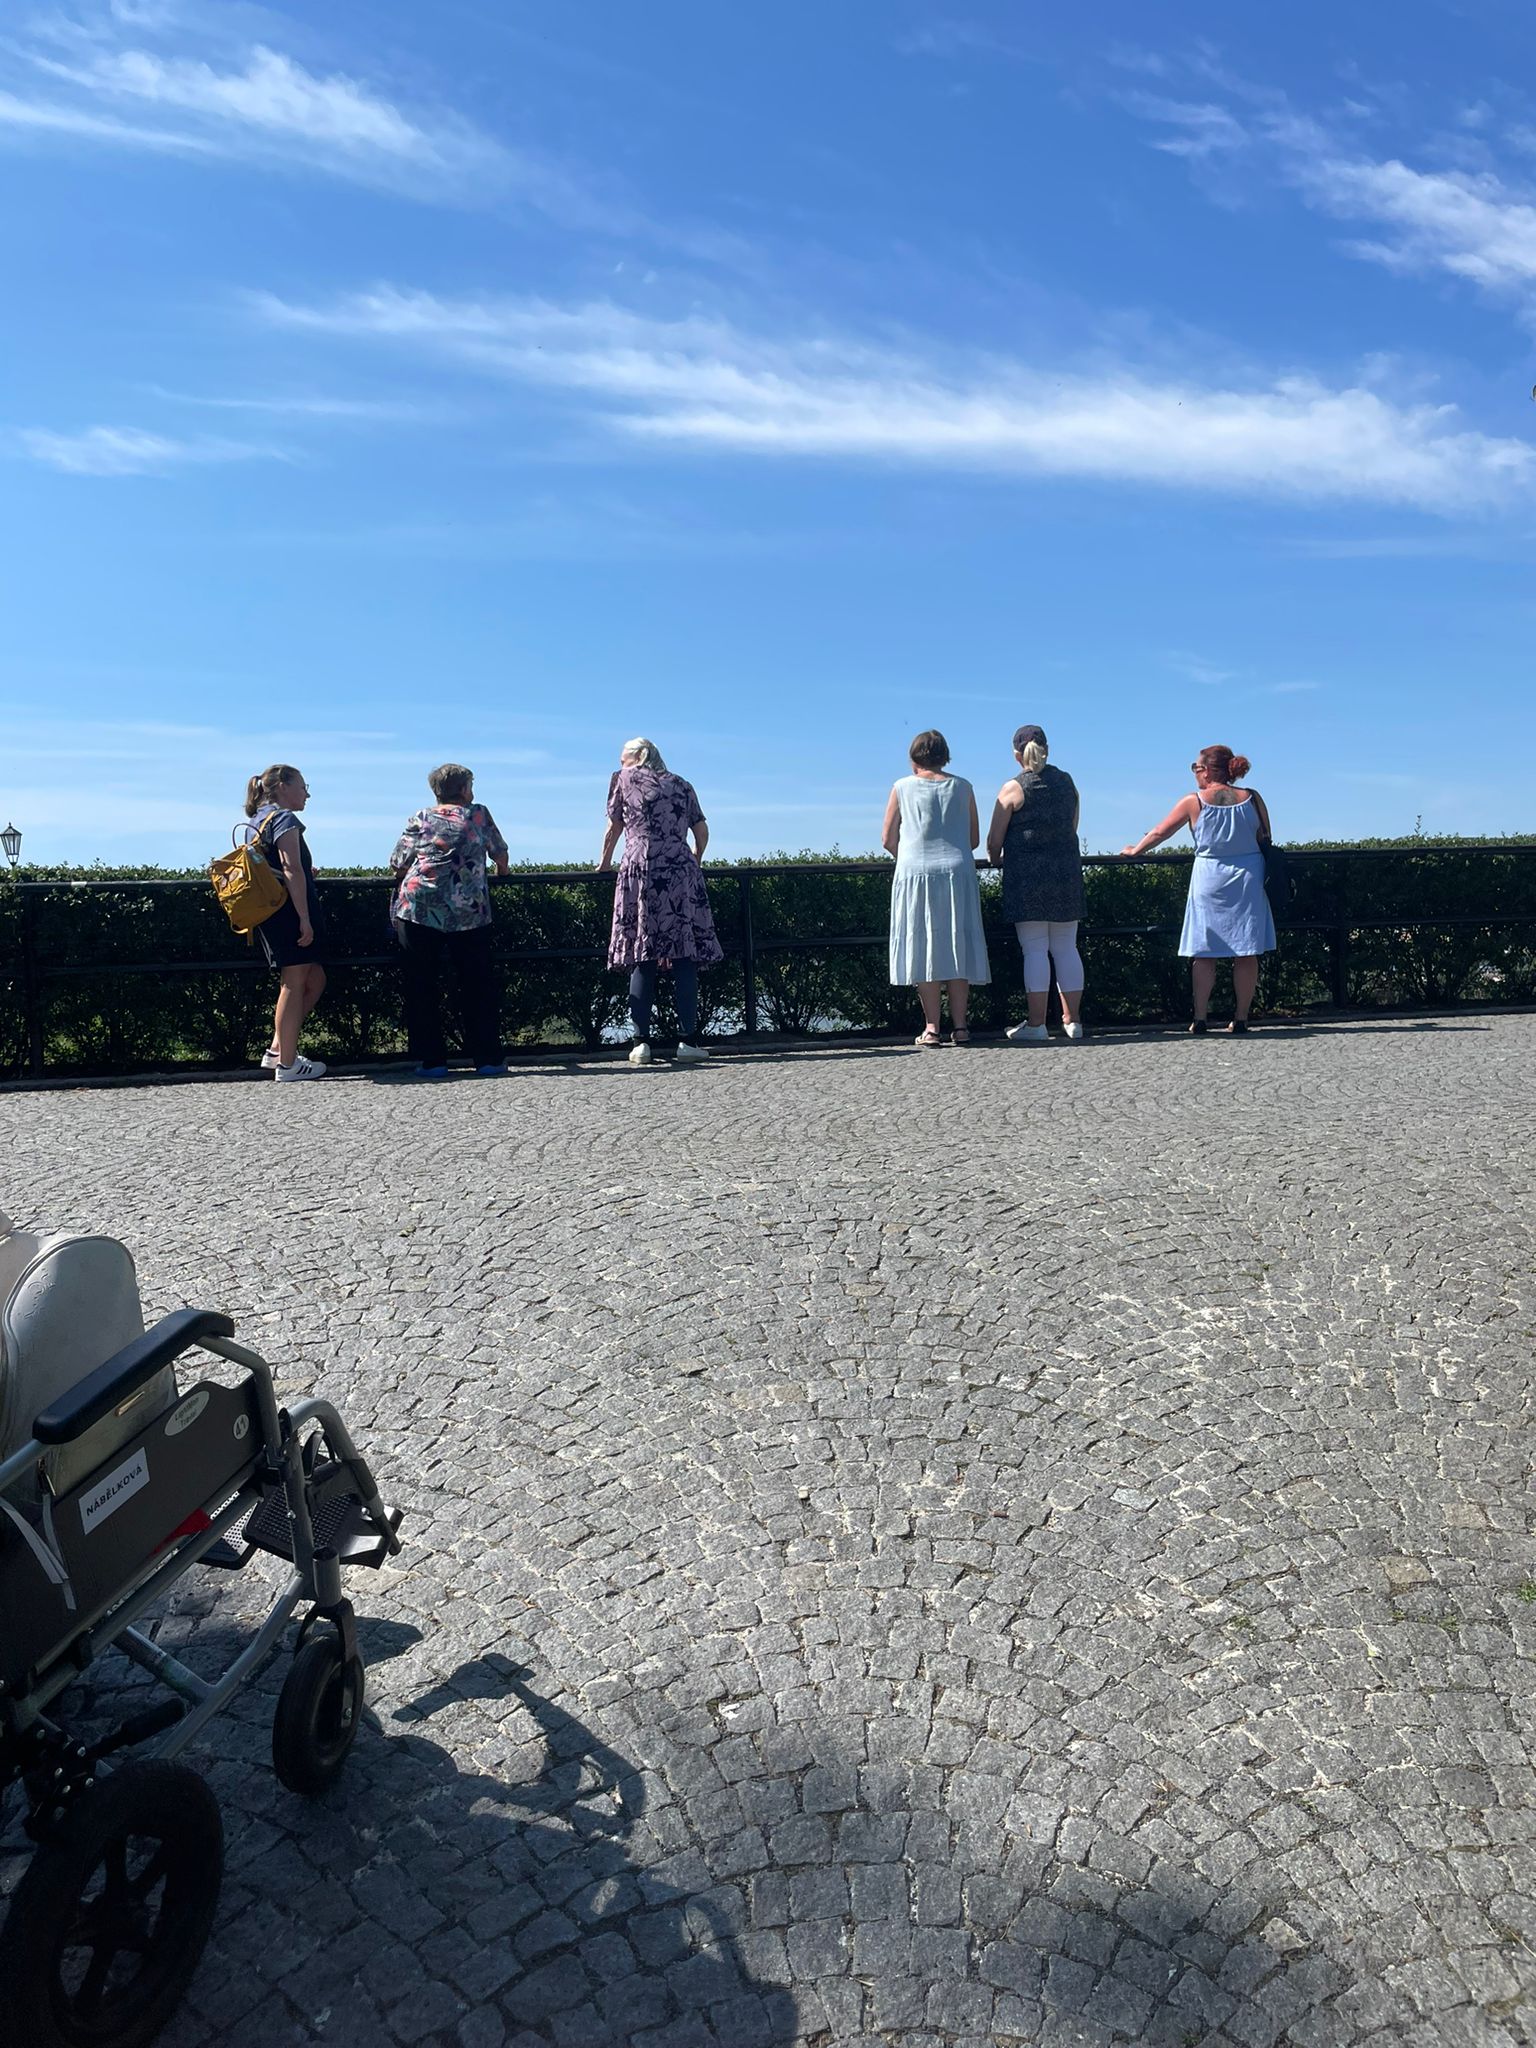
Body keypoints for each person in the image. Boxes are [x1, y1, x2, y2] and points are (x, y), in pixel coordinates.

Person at [1120, 744, 1276, 1034]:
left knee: (1204, 952)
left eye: (1195, 767)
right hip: (1248, 880)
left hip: (1209, 879)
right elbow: (1265, 836)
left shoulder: (1194, 801)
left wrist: (1135, 850)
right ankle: (1241, 1017)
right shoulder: (1253, 799)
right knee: (1246, 951)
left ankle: (1201, 1017)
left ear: (1205, 770)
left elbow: (1161, 832)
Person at [598, 738, 722, 1066]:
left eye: (624, 757)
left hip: (640, 865)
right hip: (680, 868)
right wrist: (695, 858)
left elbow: (614, 827)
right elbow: (702, 831)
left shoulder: (623, 779)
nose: (621, 763)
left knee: (643, 953)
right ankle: (688, 1041)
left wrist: (604, 863)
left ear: (640, 756)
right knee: (684, 954)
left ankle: (641, 1043)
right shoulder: (682, 784)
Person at [391, 765, 510, 1078]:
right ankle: (487, 1060)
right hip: (469, 910)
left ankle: (432, 1062)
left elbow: (398, 862)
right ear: (465, 789)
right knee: (477, 984)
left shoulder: (421, 817)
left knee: (422, 985)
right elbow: (500, 854)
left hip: (419, 908)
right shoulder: (478, 815)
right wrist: (502, 872)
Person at [883, 730, 990, 1046]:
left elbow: (888, 839)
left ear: (914, 757)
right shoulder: (964, 787)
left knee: (923, 944)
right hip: (958, 872)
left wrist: (909, 855)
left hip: (916, 871)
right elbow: (973, 839)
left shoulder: (901, 787)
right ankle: (961, 1026)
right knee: (958, 943)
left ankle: (931, 1028)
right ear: (945, 756)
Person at [986, 723, 1086, 1044]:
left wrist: (995, 858)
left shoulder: (1013, 789)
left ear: (1017, 755)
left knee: (1034, 950)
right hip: (1066, 875)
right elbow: (1072, 827)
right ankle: (1073, 1021)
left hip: (1027, 879)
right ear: (1047, 750)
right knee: (1066, 948)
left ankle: (1037, 1023)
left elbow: (994, 841)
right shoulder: (1067, 783)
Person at [246, 765, 326, 1082]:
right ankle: (288, 1064)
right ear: (283, 786)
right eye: (303, 787)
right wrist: (304, 918)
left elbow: (276, 867)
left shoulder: (257, 820)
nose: (307, 794)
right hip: (288, 911)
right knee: (294, 982)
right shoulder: (284, 819)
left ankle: (278, 1049)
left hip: (269, 910)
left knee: (314, 978)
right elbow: (291, 869)